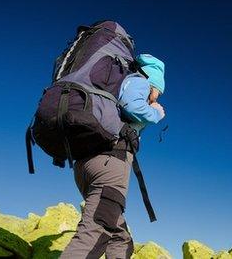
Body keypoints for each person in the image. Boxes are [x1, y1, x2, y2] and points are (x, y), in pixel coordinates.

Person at [60, 54, 166, 259]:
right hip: (111, 163)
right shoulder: (139, 81)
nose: (156, 98)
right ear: (153, 82)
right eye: (158, 93)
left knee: (120, 236)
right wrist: (156, 113)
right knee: (97, 230)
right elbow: (133, 106)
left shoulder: (115, 86)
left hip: (86, 164)